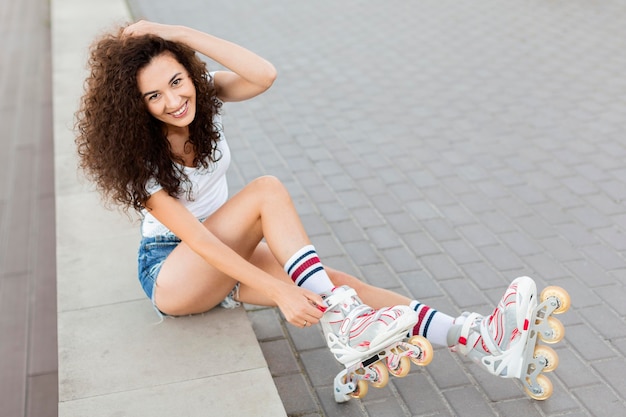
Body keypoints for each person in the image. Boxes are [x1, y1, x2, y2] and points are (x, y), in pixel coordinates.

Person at [75, 20, 557, 397]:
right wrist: (278, 293)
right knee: (267, 192)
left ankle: (479, 339)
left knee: (341, 286)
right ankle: (349, 324)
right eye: (153, 96)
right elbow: (198, 240)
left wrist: (174, 33)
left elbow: (263, 74)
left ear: (187, 70)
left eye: (177, 80)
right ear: (134, 106)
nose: (174, 100)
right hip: (173, 271)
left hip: (225, 251)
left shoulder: (202, 98)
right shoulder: (140, 157)